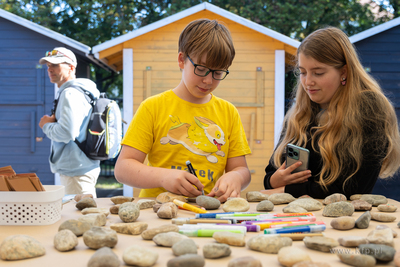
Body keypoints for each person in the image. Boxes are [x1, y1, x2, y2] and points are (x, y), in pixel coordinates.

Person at [115, 19, 251, 202]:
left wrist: (236, 177)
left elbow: (241, 169)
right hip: (158, 210)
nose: (208, 80)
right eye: (201, 69)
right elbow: (123, 169)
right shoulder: (153, 107)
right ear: (181, 60)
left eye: (218, 73)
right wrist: (164, 177)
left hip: (207, 210)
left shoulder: (228, 112)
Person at [262, 27, 400, 199]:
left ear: (344, 71)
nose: (307, 82)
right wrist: (275, 181)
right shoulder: (301, 111)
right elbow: (270, 174)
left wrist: (286, 191)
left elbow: (352, 189)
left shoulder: (371, 109)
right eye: (302, 72)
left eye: (318, 73)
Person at [38, 47, 101, 197]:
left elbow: (66, 133)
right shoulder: (84, 91)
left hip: (75, 170)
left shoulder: (70, 93)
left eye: (56, 65)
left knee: (81, 218)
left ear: (71, 67)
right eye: (48, 66)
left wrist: (45, 125)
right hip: (81, 166)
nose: (50, 69)